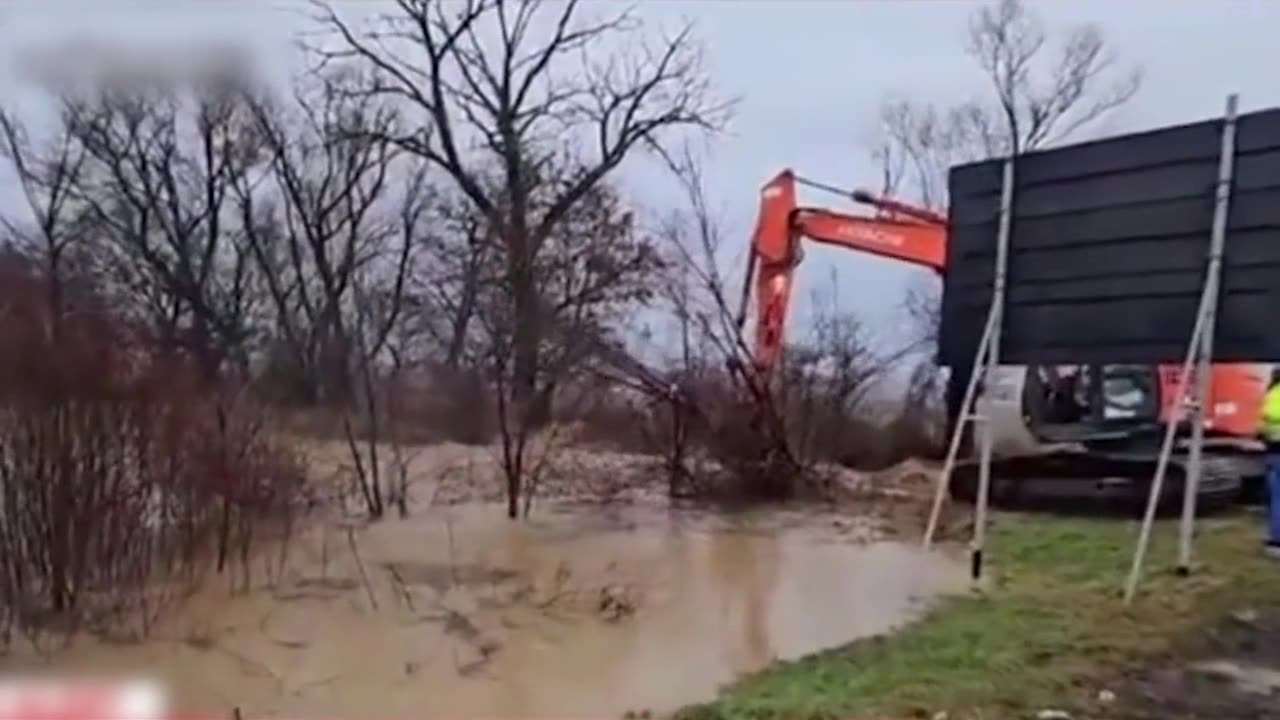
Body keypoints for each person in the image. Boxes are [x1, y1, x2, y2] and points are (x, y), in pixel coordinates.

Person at [1261, 368, 1280, 557]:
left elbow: (1264, 424)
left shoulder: (1271, 396)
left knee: (1276, 498)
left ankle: (1276, 542)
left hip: (1274, 452)